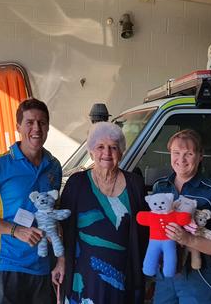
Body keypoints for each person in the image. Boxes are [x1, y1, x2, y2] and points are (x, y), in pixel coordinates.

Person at [0, 98, 62, 304]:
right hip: (7, 266)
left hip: (43, 268)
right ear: (18, 126)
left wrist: (61, 259)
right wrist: (16, 230)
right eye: (30, 122)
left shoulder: (54, 166)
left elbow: (54, 214)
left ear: (47, 127)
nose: (36, 128)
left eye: (42, 122)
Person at [52, 122, 148, 304]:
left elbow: (144, 233)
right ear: (91, 151)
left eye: (113, 147)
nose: (107, 153)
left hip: (124, 279)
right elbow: (62, 229)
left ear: (121, 152)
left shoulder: (135, 184)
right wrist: (60, 261)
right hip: (83, 279)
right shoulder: (77, 183)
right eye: (100, 147)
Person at [152, 129, 211, 304]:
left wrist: (187, 239)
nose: (181, 160)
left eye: (188, 153)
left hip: (200, 277)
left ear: (200, 155)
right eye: (176, 153)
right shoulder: (161, 187)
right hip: (166, 273)